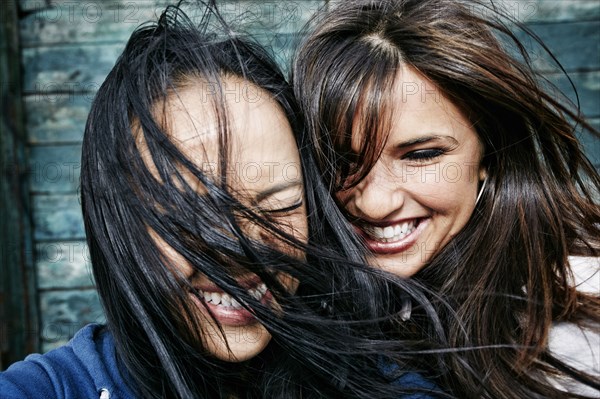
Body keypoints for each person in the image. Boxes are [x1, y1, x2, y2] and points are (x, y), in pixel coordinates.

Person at [1, 2, 447, 398]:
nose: (243, 253)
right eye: (192, 211)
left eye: (278, 206)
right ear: (117, 220)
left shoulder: (380, 381)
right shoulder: (51, 387)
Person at [293, 0, 600, 397]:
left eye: (421, 156)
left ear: (489, 152)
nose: (375, 204)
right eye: (340, 160)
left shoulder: (573, 317)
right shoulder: (311, 289)